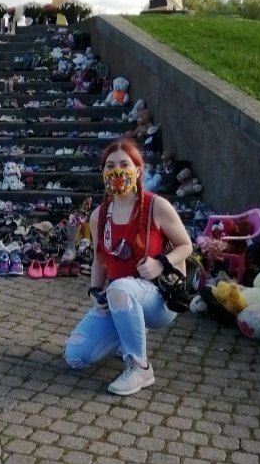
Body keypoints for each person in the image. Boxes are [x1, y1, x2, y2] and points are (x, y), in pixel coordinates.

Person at [65, 139, 193, 395]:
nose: (117, 171)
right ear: (103, 172)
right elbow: (100, 260)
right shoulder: (99, 215)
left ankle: (139, 367)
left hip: (159, 299)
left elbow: (186, 245)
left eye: (125, 165)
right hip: (119, 298)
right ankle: (129, 331)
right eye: (110, 166)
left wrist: (161, 263)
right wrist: (94, 292)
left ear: (138, 170)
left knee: (120, 289)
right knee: (76, 356)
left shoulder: (156, 206)